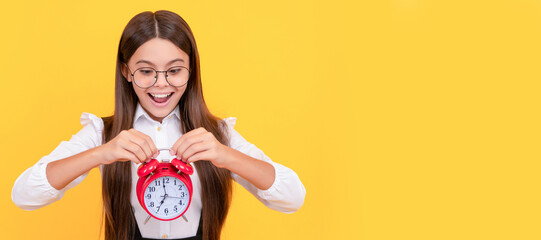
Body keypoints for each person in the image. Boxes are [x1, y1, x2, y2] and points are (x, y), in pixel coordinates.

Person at [11, 10, 306, 240]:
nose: (161, 84)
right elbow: (24, 195)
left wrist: (224, 155)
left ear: (191, 70)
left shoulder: (218, 136)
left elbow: (293, 198)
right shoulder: (103, 134)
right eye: (146, 71)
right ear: (127, 71)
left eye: (174, 70)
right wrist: (101, 153)